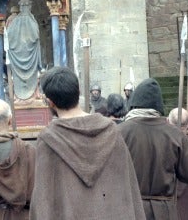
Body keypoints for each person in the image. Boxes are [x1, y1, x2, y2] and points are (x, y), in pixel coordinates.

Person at [30, 67, 145, 219]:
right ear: (79, 93)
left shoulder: (48, 140)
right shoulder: (111, 131)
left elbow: (43, 203)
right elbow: (129, 192)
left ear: (50, 102)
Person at [118, 78, 188, 220]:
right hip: (164, 212)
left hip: (129, 209)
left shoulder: (119, 132)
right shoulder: (175, 135)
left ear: (134, 103)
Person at [6, 0, 42, 100]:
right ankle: (34, 95)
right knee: (34, 74)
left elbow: (8, 35)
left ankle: (18, 96)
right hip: (30, 54)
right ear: (27, 6)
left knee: (18, 75)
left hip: (17, 54)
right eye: (29, 6)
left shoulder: (15, 20)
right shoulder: (31, 19)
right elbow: (36, 36)